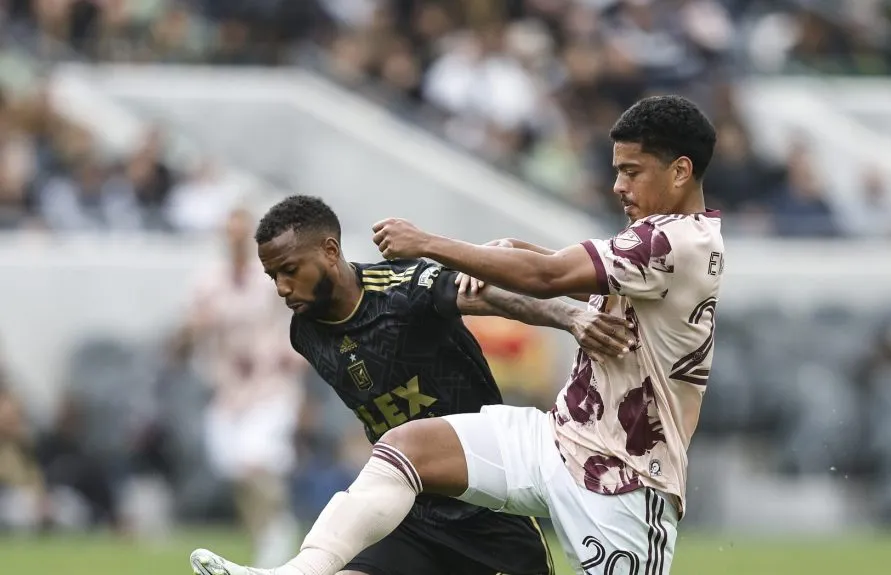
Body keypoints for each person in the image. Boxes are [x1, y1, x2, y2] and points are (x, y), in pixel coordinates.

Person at [191, 94, 722, 575]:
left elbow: (550, 278)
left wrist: (427, 242)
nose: (618, 186)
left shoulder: (678, 242)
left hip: (625, 479)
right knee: (405, 446)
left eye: (631, 172)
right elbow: (578, 282)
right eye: (616, 171)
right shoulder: (652, 238)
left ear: (680, 171)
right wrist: (520, 251)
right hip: (560, 440)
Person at [194, 194, 633, 575]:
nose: (282, 287)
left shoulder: (402, 288)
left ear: (330, 251)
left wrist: (570, 316)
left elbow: (490, 297)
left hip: (489, 509)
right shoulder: (305, 332)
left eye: (290, 270)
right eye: (273, 277)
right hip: (411, 507)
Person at [177, 208, 307, 567]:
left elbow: (298, 320)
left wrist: (291, 357)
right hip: (227, 390)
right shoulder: (207, 283)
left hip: (270, 385)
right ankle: (266, 534)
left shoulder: (272, 279)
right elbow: (184, 338)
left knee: (256, 459)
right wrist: (194, 328)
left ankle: (279, 531)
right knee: (232, 466)